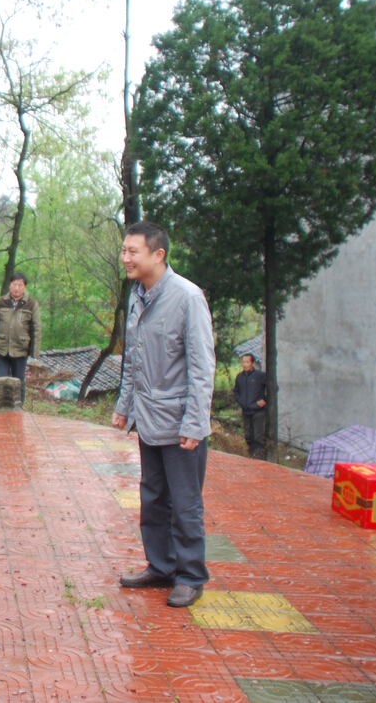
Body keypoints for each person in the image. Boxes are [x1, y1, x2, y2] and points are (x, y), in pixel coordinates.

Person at [112, 221, 216, 608]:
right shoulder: (137, 295)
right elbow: (133, 358)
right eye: (123, 250)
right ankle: (161, 566)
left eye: (133, 251)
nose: (125, 258)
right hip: (148, 418)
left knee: (185, 502)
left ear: (158, 255)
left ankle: (190, 576)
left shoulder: (187, 297)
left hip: (180, 422)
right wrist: (124, 406)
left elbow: (202, 368)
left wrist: (195, 423)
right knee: (153, 497)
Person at [0, 272, 40, 403]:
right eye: (14, 284)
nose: (17, 288)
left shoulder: (31, 304)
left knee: (18, 382)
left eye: (20, 285)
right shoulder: (1, 302)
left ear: (25, 287)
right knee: (0, 380)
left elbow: (36, 330)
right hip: (2, 349)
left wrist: (34, 355)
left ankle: (18, 408)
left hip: (21, 350)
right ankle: (0, 407)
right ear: (10, 285)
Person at [233, 353, 268, 460]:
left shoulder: (260, 376)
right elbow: (236, 391)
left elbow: (273, 388)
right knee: (248, 436)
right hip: (246, 411)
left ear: (252, 363)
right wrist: (241, 401)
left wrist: (265, 400)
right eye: (243, 362)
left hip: (258, 411)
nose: (245, 364)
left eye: (247, 362)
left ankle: (259, 458)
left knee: (258, 437)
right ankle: (251, 456)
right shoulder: (240, 377)